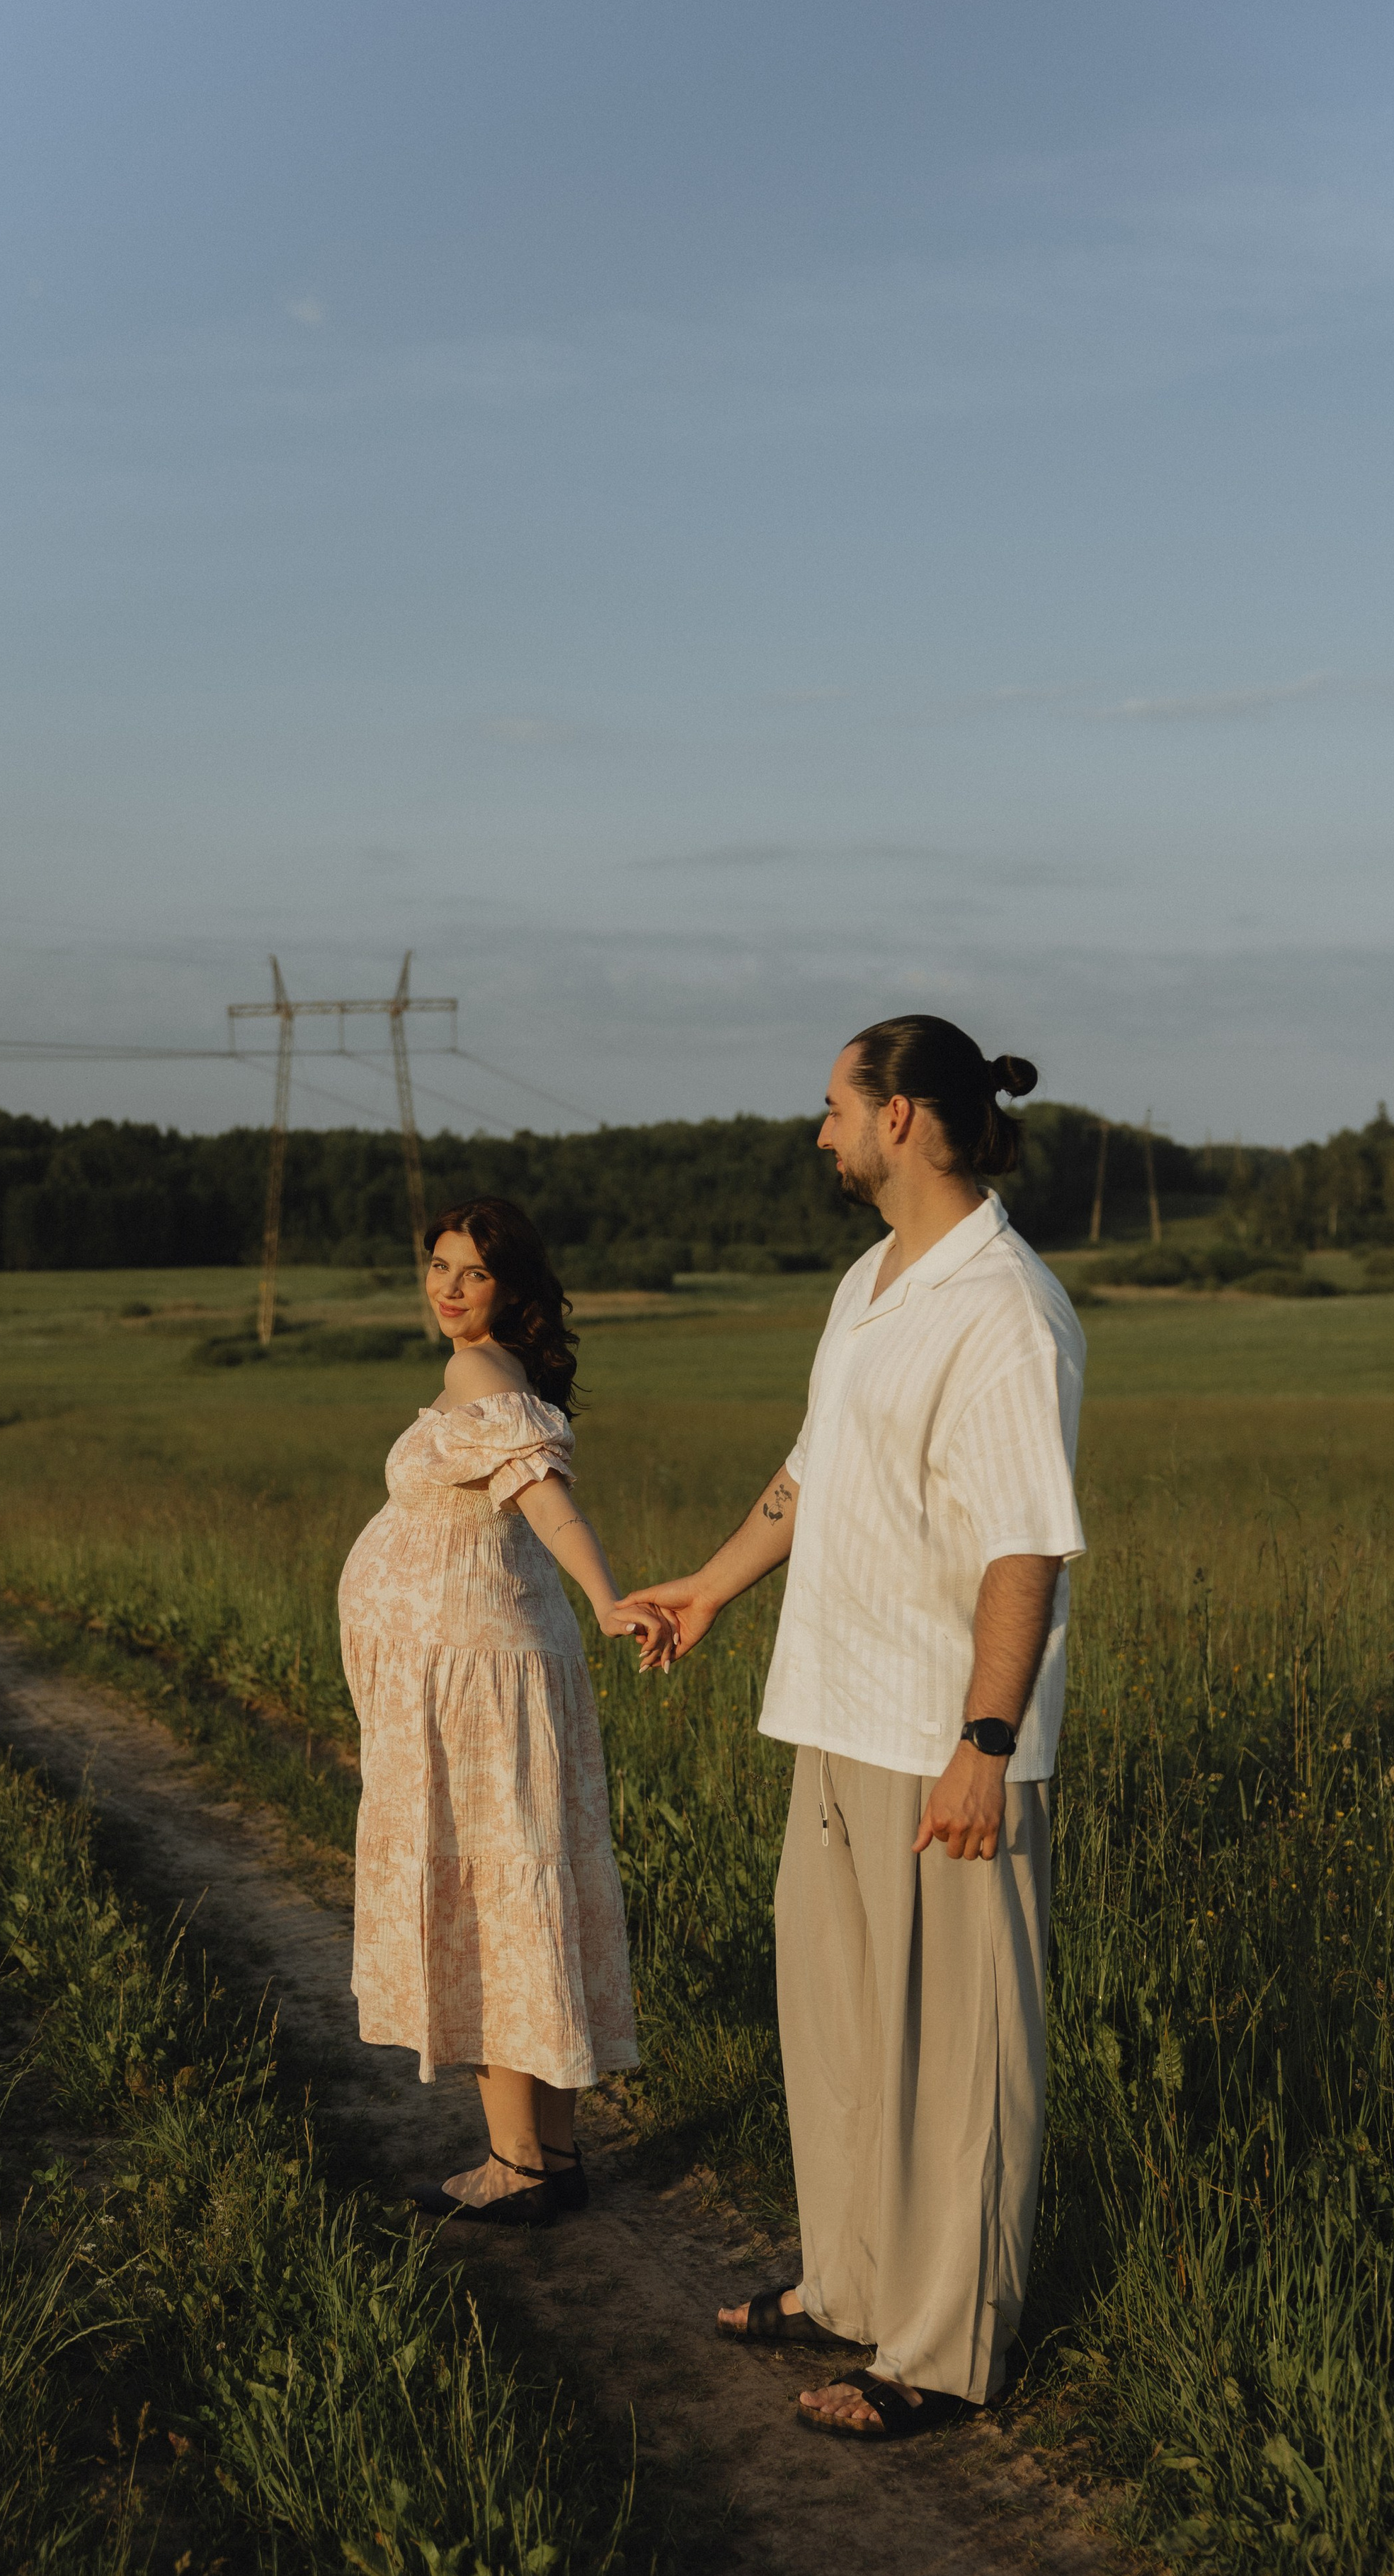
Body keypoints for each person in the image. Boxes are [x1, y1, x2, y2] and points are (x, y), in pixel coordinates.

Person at [627, 1015, 1087, 2437]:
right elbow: (810, 1473)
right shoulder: (867, 1283)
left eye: (831, 1106)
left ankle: (940, 2353)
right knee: (834, 2031)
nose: (816, 1131)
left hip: (943, 1738)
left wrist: (985, 1742)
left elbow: (1024, 1548)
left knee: (959, 2057)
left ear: (900, 1118)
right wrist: (709, 1589)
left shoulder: (1003, 1308)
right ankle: (847, 2286)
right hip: (834, 1711)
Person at [338, 1194, 674, 2226]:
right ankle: (554, 2156)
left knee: (489, 1891)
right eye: (438, 1266)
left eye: (472, 1273)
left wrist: (609, 1594)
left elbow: (545, 1495)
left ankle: (515, 2164)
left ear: (512, 1287)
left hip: (474, 1681)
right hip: (481, 1669)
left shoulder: (480, 1374)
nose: (447, 1288)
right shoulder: (496, 1369)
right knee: (528, 1878)